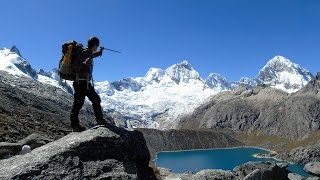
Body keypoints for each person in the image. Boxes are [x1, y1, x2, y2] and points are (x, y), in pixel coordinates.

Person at [70, 37, 107, 132]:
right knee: (78, 104)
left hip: (85, 83)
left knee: (96, 99)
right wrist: (84, 63)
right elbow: (75, 66)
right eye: (97, 46)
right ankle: (75, 125)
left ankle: (99, 120)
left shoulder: (89, 52)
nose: (97, 47)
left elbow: (93, 55)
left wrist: (100, 52)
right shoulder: (83, 53)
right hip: (80, 82)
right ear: (94, 45)